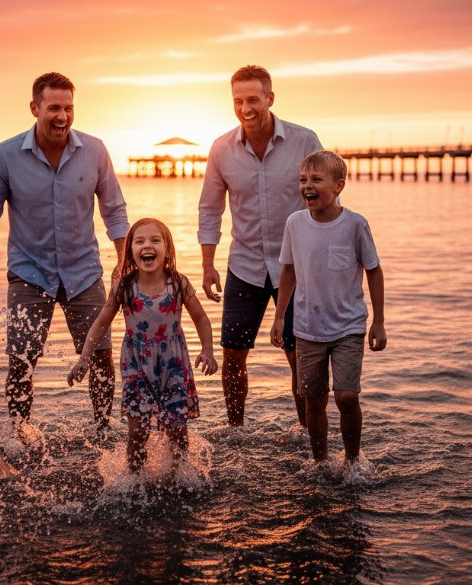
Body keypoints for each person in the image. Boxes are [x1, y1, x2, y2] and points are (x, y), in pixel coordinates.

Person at [0, 72, 129, 450]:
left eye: (69, 108)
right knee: (21, 362)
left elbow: (115, 210)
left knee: (101, 358)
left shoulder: (94, 150)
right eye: (54, 107)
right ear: (35, 108)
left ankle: (103, 433)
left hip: (84, 273)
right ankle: (20, 438)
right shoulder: (5, 155)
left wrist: (123, 263)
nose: (62, 116)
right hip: (29, 274)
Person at [198, 65, 323, 426]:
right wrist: (208, 265)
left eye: (253, 99)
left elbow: (324, 200)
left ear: (270, 98)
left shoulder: (304, 141)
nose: (246, 108)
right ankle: (236, 432)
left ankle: (308, 433)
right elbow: (210, 209)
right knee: (233, 355)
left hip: (297, 269)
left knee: (299, 355)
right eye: (238, 101)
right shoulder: (221, 149)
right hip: (245, 266)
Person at [69, 218, 217, 473]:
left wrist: (207, 350)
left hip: (173, 365)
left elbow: (201, 317)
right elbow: (101, 321)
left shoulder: (178, 283)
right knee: (137, 432)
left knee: (177, 431)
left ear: (167, 249)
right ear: (131, 252)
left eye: (155, 240)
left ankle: (178, 478)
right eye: (139, 241)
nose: (147, 245)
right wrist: (84, 358)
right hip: (136, 364)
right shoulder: (124, 287)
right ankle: (134, 480)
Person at [270, 150, 387, 464]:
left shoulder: (355, 225)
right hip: (307, 328)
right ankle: (320, 463)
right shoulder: (295, 223)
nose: (307, 186)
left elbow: (374, 270)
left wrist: (378, 321)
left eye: (316, 180)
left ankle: (352, 462)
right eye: (303, 180)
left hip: (348, 326)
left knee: (346, 396)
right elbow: (289, 271)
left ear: (339, 186)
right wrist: (279, 316)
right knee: (313, 401)